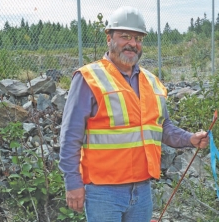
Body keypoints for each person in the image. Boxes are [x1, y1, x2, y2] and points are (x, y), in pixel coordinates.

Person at [59, 6, 209, 222]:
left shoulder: (152, 82)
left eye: (138, 38)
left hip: (142, 190)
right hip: (103, 192)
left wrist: (190, 138)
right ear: (109, 38)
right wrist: (73, 183)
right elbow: (70, 136)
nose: (132, 43)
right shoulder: (88, 78)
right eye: (125, 36)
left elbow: (162, 127)